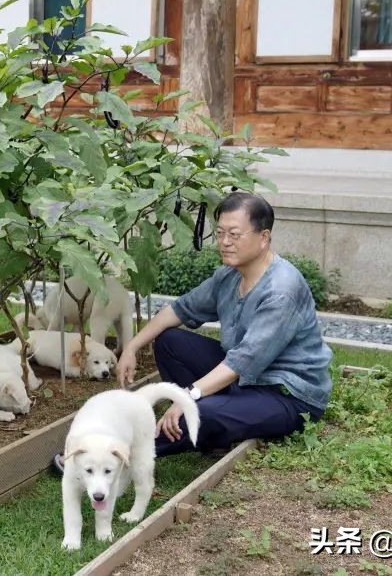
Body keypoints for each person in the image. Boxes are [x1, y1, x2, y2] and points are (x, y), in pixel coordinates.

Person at [52, 192, 331, 472]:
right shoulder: (230, 276)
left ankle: (106, 456)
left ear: (264, 238)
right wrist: (132, 347)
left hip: (286, 396)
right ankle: (214, 431)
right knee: (169, 341)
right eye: (220, 232)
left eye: (234, 234)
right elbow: (178, 311)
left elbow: (242, 361)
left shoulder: (281, 291)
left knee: (199, 411)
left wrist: (189, 396)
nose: (224, 242)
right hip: (246, 381)